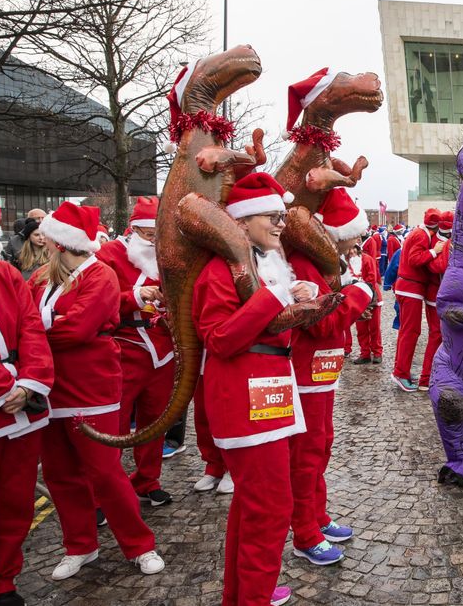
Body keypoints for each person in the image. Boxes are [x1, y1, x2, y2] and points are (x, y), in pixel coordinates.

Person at [30, 201, 163, 581]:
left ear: (59, 242)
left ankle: (140, 545)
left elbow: (77, 329)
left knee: (105, 472)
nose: (42, 243)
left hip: (91, 387)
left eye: (47, 238)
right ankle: (79, 545)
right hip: (49, 387)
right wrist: (46, 327)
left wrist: (35, 334)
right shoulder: (39, 277)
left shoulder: (99, 274)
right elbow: (28, 320)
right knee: (60, 474)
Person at [192, 173, 307, 606]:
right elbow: (219, 338)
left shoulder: (261, 264)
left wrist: (298, 298)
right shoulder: (219, 270)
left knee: (252, 505)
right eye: (272, 216)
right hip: (244, 400)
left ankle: (243, 594)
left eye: (282, 216)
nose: (281, 224)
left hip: (269, 394)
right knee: (271, 508)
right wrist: (275, 298)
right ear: (241, 222)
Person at [287, 186, 374, 567]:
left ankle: (316, 516)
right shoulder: (305, 264)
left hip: (320, 372)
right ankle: (304, 532)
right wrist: (360, 295)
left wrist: (352, 298)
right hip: (305, 372)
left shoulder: (323, 263)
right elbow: (320, 323)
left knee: (320, 445)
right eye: (354, 234)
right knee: (306, 453)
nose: (357, 241)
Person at [0, 205, 54, 606]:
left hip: (21, 406)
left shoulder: (5, 274)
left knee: (15, 500)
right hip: (1, 400)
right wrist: (1, 388)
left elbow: (32, 327)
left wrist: (30, 383)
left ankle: (4, 579)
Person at [96, 197, 176, 507]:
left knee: (156, 420)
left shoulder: (168, 255)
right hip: (124, 347)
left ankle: (147, 480)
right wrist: (135, 295)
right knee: (115, 424)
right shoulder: (108, 255)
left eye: (159, 235)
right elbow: (97, 301)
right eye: (149, 235)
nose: (155, 242)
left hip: (162, 349)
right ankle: (104, 493)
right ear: (134, 230)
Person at [391, 210, 443, 392]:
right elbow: (414, 259)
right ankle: (400, 373)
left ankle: (401, 371)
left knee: (407, 331)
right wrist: (434, 251)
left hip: (408, 287)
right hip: (411, 288)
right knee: (410, 332)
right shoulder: (422, 235)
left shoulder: (418, 232)